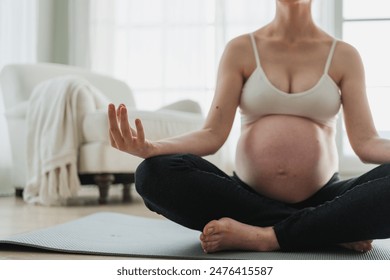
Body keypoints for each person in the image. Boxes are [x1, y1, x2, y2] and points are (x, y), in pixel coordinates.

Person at [108, 0, 390, 254]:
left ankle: (265, 236)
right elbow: (212, 134)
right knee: (153, 173)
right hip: (244, 199)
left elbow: (366, 143)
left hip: (326, 196)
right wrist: (153, 148)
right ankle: (326, 229)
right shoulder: (241, 49)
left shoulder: (344, 55)